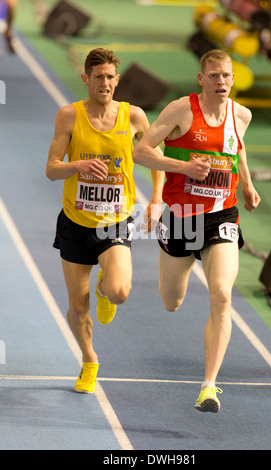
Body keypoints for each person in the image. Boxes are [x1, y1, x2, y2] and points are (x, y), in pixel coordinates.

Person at [133, 49, 261, 413]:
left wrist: (247, 184)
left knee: (222, 294)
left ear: (233, 79)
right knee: (171, 301)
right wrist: (183, 167)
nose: (222, 82)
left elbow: (237, 148)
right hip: (181, 215)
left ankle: (209, 386)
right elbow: (141, 152)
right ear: (201, 79)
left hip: (222, 215)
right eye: (215, 76)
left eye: (227, 76)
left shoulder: (241, 115)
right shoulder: (180, 110)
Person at [46, 48, 164, 394]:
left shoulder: (134, 117)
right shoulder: (69, 116)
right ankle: (89, 360)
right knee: (76, 307)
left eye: (111, 77)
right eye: (99, 77)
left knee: (119, 291)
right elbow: (52, 169)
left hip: (114, 221)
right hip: (75, 221)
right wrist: (76, 166)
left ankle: (104, 289)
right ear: (86, 79)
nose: (106, 83)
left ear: (117, 79)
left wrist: (157, 198)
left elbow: (158, 159)